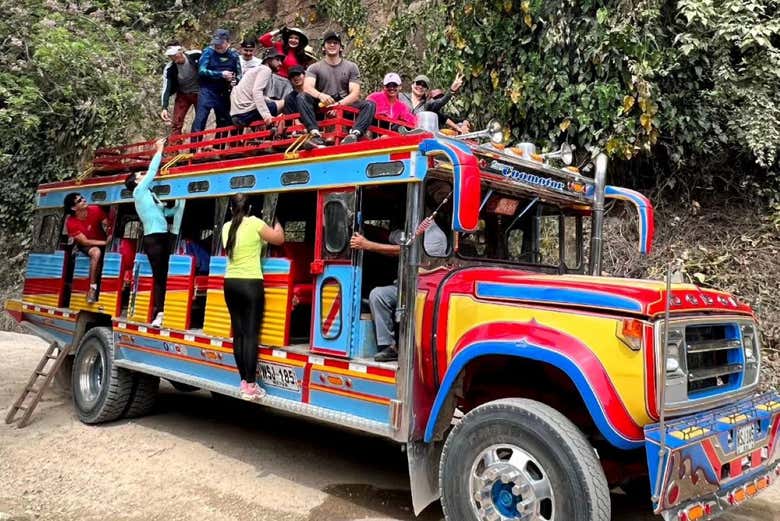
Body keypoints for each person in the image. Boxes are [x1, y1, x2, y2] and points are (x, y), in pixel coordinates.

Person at [350, 184, 449, 362]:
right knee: (378, 294)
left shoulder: (436, 236)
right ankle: (388, 346)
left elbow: (405, 251)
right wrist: (361, 227)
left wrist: (368, 245)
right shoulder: (414, 231)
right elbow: (390, 235)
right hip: (404, 286)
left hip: (423, 291)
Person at [221, 193, 285, 400]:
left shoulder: (226, 228)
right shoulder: (256, 223)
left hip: (230, 283)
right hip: (251, 284)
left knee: (238, 334)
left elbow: (250, 246)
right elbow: (279, 238)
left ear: (231, 210)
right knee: (250, 335)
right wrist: (275, 219)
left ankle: (243, 382)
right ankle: (251, 385)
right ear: (250, 209)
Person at [124, 138, 185, 327]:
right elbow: (152, 172)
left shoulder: (150, 195)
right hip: (153, 238)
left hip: (161, 235)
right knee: (160, 276)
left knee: (165, 273)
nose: (144, 175)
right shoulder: (139, 192)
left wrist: (181, 204)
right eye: (139, 174)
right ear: (136, 181)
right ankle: (159, 313)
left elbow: (166, 213)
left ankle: (162, 310)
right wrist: (159, 150)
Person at [300, 30, 376, 147]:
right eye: (329, 42)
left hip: (344, 104)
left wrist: (339, 105)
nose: (332, 45)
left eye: (335, 43)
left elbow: (355, 93)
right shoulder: (314, 67)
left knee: (369, 105)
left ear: (340, 47)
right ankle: (315, 134)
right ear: (323, 47)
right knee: (302, 97)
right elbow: (307, 87)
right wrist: (321, 96)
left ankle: (354, 134)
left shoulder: (351, 67)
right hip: (322, 105)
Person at [192, 29, 242, 133]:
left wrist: (233, 81)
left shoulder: (234, 55)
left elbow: (238, 74)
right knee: (200, 120)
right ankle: (193, 148)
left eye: (221, 44)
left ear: (227, 42)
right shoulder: (208, 52)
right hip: (207, 91)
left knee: (224, 121)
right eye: (216, 44)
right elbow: (201, 71)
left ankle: (218, 148)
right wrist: (221, 74)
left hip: (223, 92)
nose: (217, 46)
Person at [63, 193, 108, 303]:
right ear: (73, 208)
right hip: (86, 246)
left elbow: (107, 224)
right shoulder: (71, 222)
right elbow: (85, 241)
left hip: (103, 241)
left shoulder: (96, 209)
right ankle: (92, 288)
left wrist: (109, 231)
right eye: (79, 201)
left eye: (82, 197)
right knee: (96, 252)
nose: (83, 200)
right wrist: (105, 242)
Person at [229, 48, 281, 128]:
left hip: (236, 115)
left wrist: (270, 100)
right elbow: (257, 92)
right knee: (286, 101)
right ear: (268, 60)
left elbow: (254, 94)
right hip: (246, 114)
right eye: (277, 60)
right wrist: (266, 115)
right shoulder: (265, 69)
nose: (280, 63)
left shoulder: (254, 70)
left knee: (273, 102)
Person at [160, 42, 201, 135]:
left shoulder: (196, 55)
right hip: (183, 94)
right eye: (170, 56)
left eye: (174, 55)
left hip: (199, 92)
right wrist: (164, 107)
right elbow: (166, 88)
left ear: (181, 51)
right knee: (176, 123)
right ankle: (175, 147)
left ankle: (196, 146)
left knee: (200, 120)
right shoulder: (170, 68)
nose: (173, 58)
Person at [399, 72, 464, 116]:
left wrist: (452, 90)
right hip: (396, 133)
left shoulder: (427, 104)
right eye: (418, 83)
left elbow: (441, 102)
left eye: (424, 85)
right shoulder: (401, 96)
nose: (420, 87)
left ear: (426, 90)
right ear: (412, 84)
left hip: (416, 134)